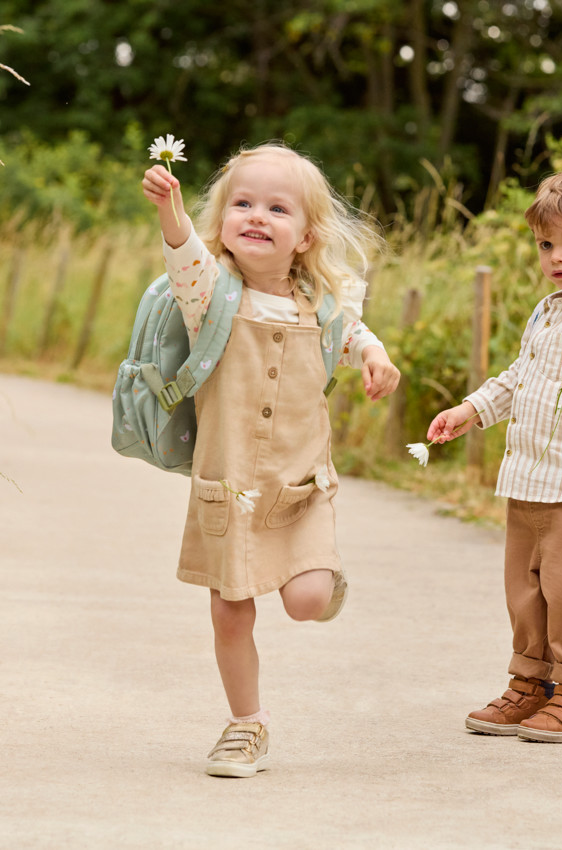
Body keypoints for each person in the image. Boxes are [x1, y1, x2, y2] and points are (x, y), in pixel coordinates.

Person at [141, 142, 399, 776]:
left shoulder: (325, 305)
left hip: (300, 487)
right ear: (223, 219)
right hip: (226, 489)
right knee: (231, 611)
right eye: (243, 203)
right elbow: (183, 258)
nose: (256, 215)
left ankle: (322, 579)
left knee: (306, 600)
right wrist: (172, 212)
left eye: (277, 208)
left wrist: (374, 356)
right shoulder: (211, 295)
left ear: (306, 236)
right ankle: (245, 726)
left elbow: (353, 332)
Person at [426, 167, 562, 743]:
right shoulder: (547, 311)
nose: (558, 256)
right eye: (547, 244)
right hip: (528, 481)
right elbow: (518, 377)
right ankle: (532, 684)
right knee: (526, 591)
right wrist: (471, 411)